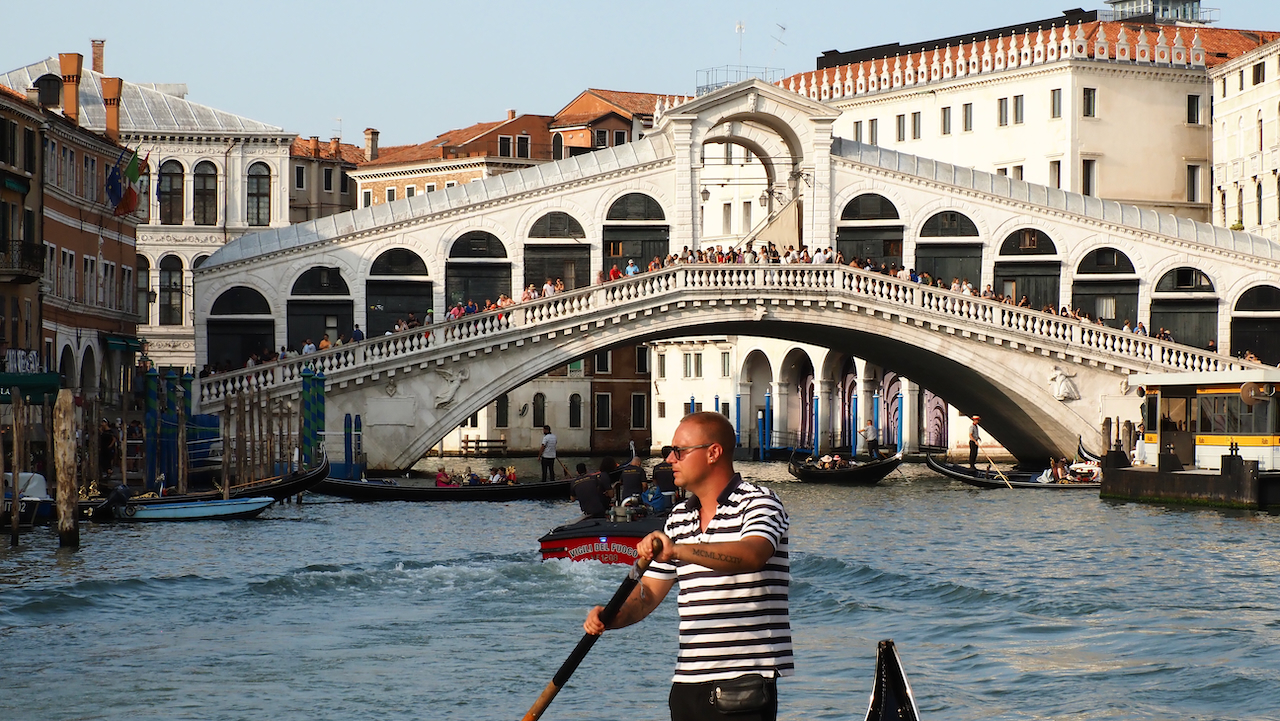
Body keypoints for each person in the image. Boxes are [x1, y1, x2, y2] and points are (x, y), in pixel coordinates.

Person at [583, 412, 792, 721]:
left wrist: (678, 550)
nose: (669, 459)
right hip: (686, 686)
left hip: (742, 684)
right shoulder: (680, 517)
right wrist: (611, 615)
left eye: (679, 451)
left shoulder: (761, 503)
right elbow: (647, 595)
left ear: (713, 453)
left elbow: (752, 554)